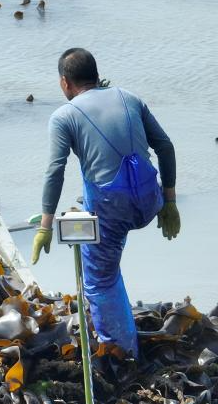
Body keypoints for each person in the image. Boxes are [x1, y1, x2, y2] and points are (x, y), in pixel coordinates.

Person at [32, 48, 180, 357]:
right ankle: (124, 327)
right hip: (149, 200)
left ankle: (121, 352)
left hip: (112, 208)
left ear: (64, 83)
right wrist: (170, 203)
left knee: (99, 279)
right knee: (109, 262)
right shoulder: (130, 97)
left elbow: (55, 170)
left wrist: (45, 226)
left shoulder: (64, 116)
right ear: (97, 75)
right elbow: (165, 147)